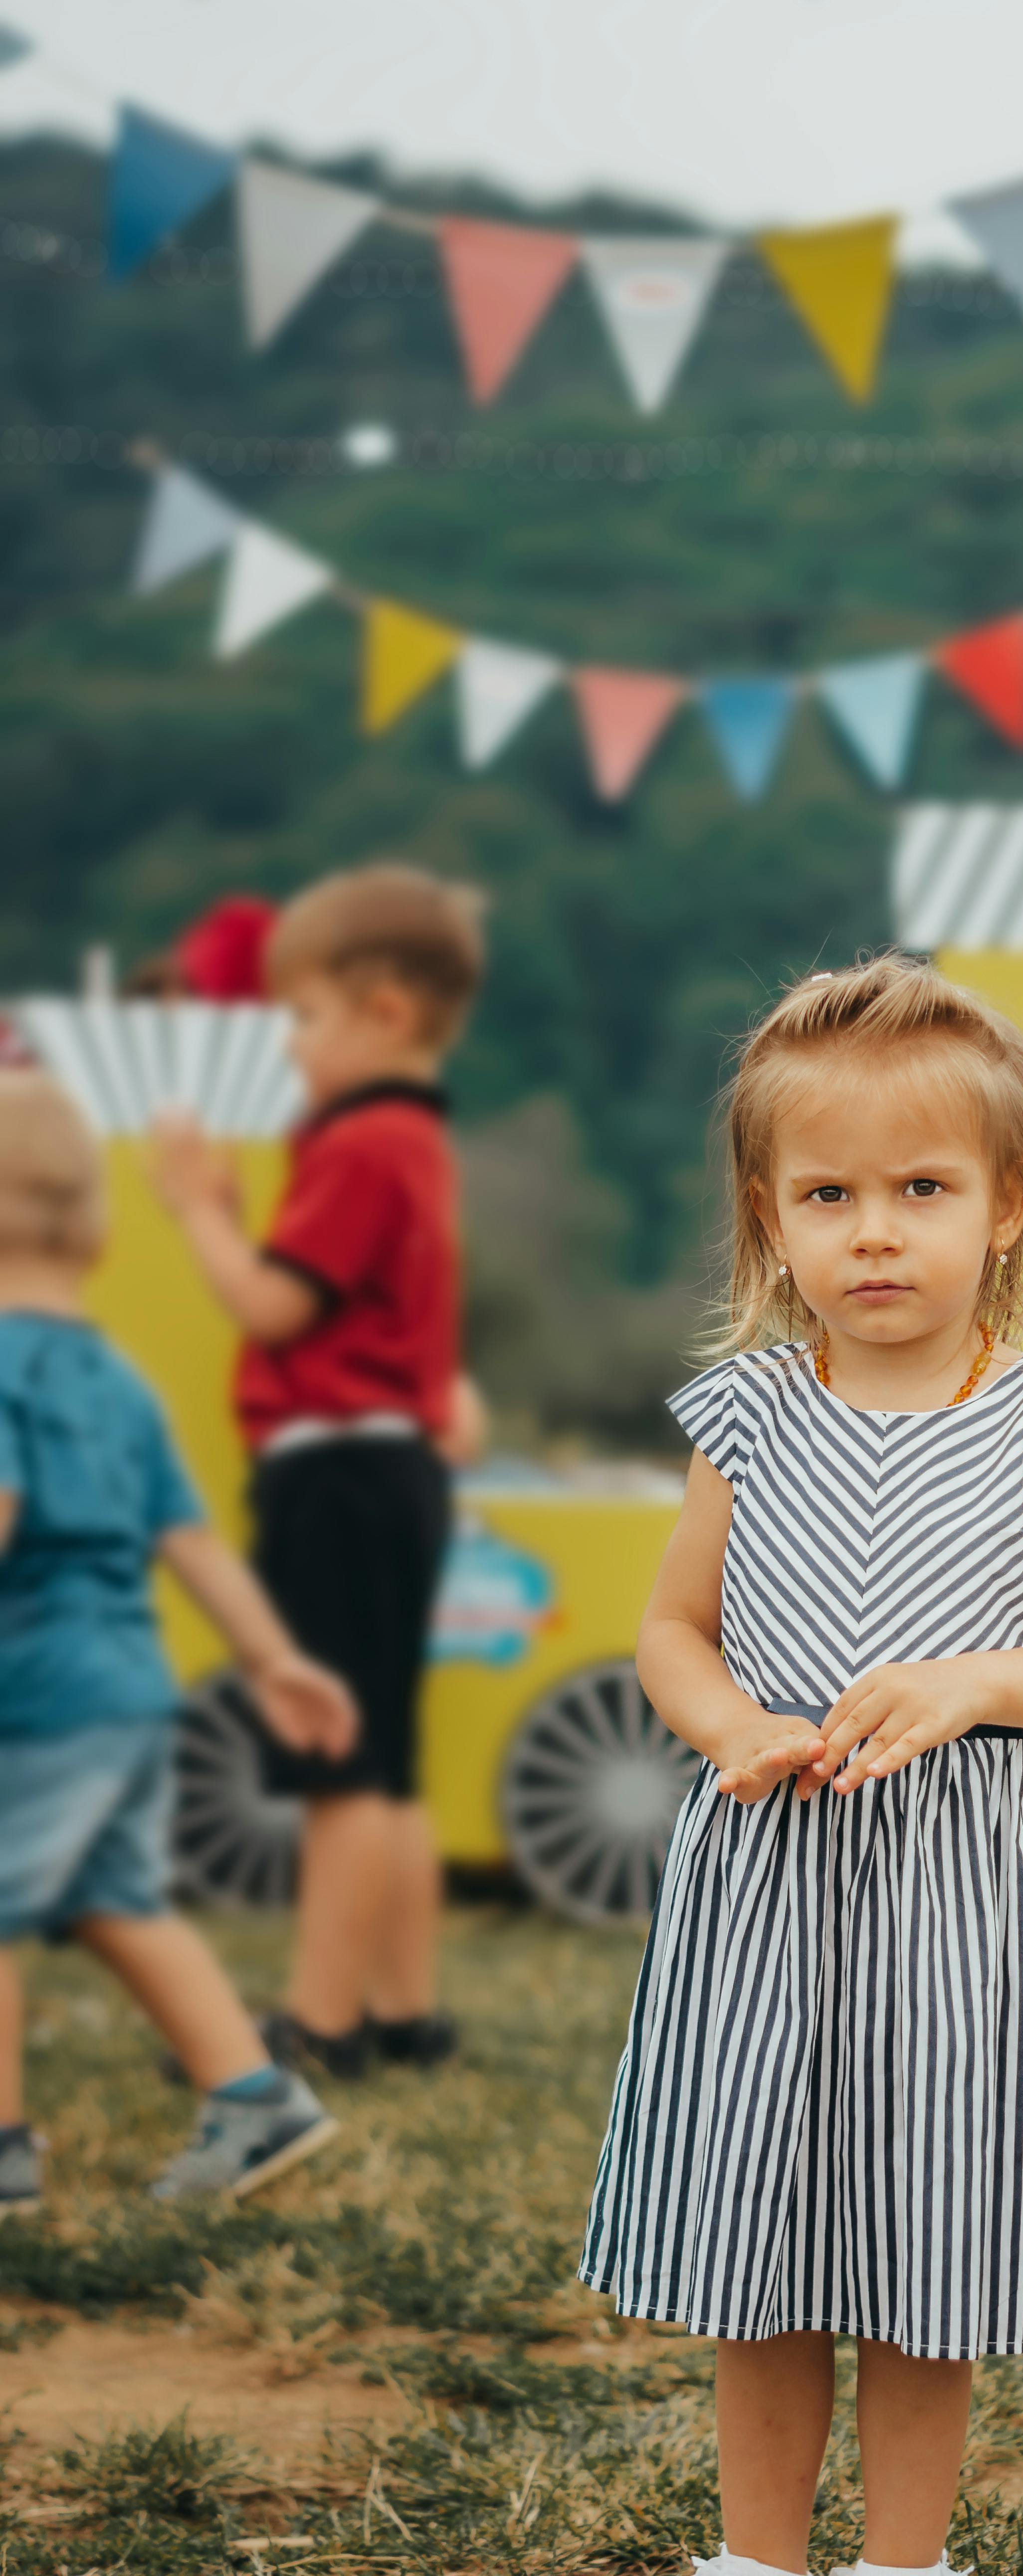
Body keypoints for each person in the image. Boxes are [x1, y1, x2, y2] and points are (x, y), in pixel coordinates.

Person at [580, 957, 1023, 2576]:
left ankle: (902, 2564)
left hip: (960, 1890)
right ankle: (755, 2560)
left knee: (924, 2249)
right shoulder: (747, 1417)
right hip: (768, 1876)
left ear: (1007, 1204)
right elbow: (671, 1629)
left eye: (921, 1187)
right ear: (769, 1218)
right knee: (759, 2254)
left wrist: (972, 1681)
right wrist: (726, 1727)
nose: (874, 1231)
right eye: (827, 1193)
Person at [151, 865, 485, 2083]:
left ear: (383, 1013)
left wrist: (198, 1207)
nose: (288, 1047)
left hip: (334, 1476)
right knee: (388, 1764)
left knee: (336, 1762)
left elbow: (272, 1305)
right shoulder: (421, 1143)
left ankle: (317, 2024)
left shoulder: (360, 1146)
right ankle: (403, 2010)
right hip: (397, 1473)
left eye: (301, 1017)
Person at [0, 1074, 357, 2213]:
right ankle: (255, 2100)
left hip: (39, 1690)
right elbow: (191, 1541)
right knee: (118, 1902)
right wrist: (274, 1659)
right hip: (128, 1692)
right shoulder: (116, 1381)